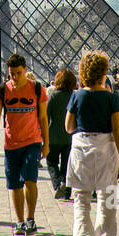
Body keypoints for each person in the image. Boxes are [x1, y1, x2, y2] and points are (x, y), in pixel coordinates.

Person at [65, 53, 119, 236]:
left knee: (81, 200)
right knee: (108, 201)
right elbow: (118, 131)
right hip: (106, 152)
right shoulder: (112, 99)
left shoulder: (77, 96)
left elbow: (68, 126)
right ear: (104, 73)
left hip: (81, 151)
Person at [0, 54, 49, 236]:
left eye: (17, 73)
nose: (14, 77)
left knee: (30, 180)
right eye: (11, 74)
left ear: (25, 70)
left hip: (32, 141)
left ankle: (30, 219)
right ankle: (20, 221)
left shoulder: (38, 89)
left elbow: (43, 118)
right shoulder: (2, 90)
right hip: (11, 143)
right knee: (14, 184)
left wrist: (46, 143)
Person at [45, 68, 75, 199]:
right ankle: (67, 191)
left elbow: (46, 117)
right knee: (66, 165)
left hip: (53, 136)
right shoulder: (74, 96)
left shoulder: (53, 96)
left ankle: (57, 186)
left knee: (51, 162)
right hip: (69, 136)